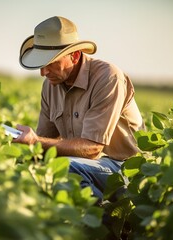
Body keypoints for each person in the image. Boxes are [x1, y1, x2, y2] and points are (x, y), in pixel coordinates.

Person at [13, 16, 144, 202]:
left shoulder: (108, 77)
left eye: (50, 63)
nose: (43, 72)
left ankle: (103, 225)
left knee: (65, 168)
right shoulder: (50, 86)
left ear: (74, 56)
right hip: (86, 166)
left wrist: (36, 141)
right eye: (41, 65)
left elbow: (92, 148)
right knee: (33, 168)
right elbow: (45, 142)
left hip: (125, 169)